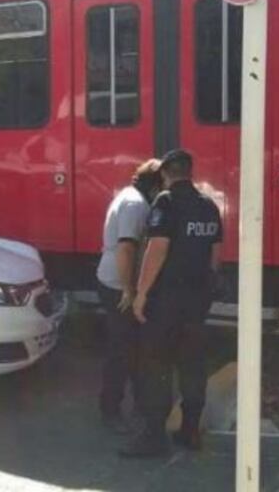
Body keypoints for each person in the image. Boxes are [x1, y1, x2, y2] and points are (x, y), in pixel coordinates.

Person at [121, 149, 223, 458]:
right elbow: (214, 255)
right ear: (190, 172)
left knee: (157, 365)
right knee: (192, 364)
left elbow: (157, 249)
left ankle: (154, 436)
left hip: (167, 300)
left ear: (165, 173)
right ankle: (190, 431)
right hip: (197, 299)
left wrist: (141, 293)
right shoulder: (209, 206)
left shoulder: (166, 202)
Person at [95, 159, 161, 433]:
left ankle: (135, 405)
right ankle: (110, 409)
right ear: (155, 185)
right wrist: (128, 289)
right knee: (121, 350)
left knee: (128, 347)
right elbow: (126, 248)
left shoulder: (129, 196)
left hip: (113, 279)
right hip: (117, 284)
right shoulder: (136, 205)